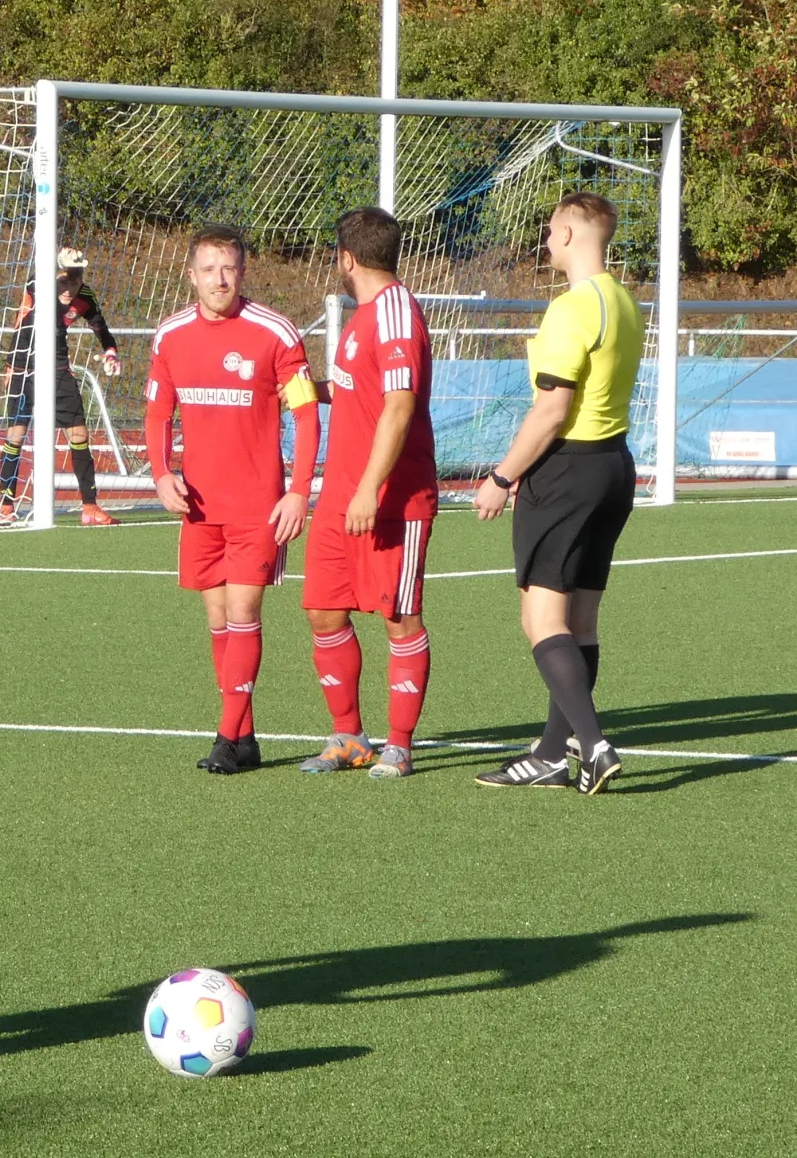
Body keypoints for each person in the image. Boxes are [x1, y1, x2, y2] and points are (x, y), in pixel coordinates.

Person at [472, 191, 644, 794]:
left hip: (567, 470)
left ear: (570, 234)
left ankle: (593, 745)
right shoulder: (625, 300)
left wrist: (502, 476)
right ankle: (550, 752)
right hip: (614, 467)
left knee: (541, 616)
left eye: (550, 231)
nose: (546, 242)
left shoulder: (572, 307)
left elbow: (552, 409)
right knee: (582, 617)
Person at [146, 224, 322, 774]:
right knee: (219, 620)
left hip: (257, 508)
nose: (219, 280)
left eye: (229, 269)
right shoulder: (170, 335)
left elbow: (306, 412)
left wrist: (298, 491)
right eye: (208, 270)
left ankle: (226, 737)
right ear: (191, 275)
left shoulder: (274, 331)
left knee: (244, 612)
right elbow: (157, 412)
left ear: (242, 272)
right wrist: (160, 473)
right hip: (199, 508)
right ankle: (245, 740)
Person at [299, 207, 438, 780]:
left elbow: (401, 408)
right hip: (342, 496)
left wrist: (368, 490)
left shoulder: (398, 313)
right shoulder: (364, 317)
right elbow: (365, 394)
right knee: (323, 611)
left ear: (346, 258)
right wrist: (312, 390)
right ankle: (349, 736)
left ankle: (399, 744)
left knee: (398, 617)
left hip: (390, 501)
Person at [0, 247, 123, 525]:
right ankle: (6, 504)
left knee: (79, 434)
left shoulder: (84, 296)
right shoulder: (38, 285)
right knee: (16, 435)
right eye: (64, 281)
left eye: (75, 281)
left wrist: (110, 351)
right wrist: (11, 367)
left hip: (57, 366)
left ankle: (90, 507)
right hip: (25, 366)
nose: (70, 289)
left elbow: (100, 327)